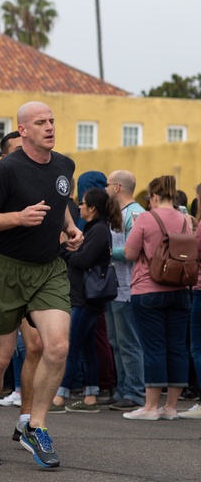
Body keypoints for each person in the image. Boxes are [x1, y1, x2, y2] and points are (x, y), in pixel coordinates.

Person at [0, 102, 81, 468]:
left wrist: (69, 227)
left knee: (58, 346)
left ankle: (36, 425)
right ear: (23, 130)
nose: (49, 126)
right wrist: (18, 217)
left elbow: (59, 200)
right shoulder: (6, 169)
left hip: (48, 268)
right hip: (6, 268)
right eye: (40, 122)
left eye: (52, 120)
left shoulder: (65, 165)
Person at [121, 175, 192, 421]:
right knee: (177, 348)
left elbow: (130, 253)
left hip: (148, 289)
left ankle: (150, 407)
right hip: (181, 291)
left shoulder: (145, 218)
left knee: (153, 347)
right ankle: (170, 407)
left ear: (153, 196)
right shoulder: (186, 220)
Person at [51, 187, 122, 413]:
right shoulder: (93, 228)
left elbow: (83, 259)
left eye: (82, 203)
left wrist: (63, 248)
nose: (79, 206)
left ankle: (60, 396)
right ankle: (91, 396)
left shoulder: (99, 230)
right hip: (85, 296)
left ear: (92, 208)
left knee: (70, 347)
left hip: (85, 298)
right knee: (88, 347)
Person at [104, 170, 146, 411]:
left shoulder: (136, 214)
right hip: (115, 287)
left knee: (129, 343)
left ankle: (135, 392)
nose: (106, 189)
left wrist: (106, 251)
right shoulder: (120, 213)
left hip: (129, 288)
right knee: (116, 342)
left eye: (108, 185)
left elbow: (135, 251)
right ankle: (123, 390)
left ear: (117, 187)